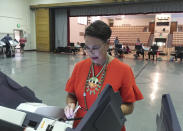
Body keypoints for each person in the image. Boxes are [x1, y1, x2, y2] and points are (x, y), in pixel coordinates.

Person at [64, 20, 144, 131]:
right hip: (81, 126)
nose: (90, 52)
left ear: (107, 44)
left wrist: (107, 112)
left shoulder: (123, 70)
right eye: (87, 47)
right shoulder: (79, 67)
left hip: (108, 126)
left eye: (95, 48)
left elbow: (129, 107)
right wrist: (70, 104)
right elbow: (71, 96)